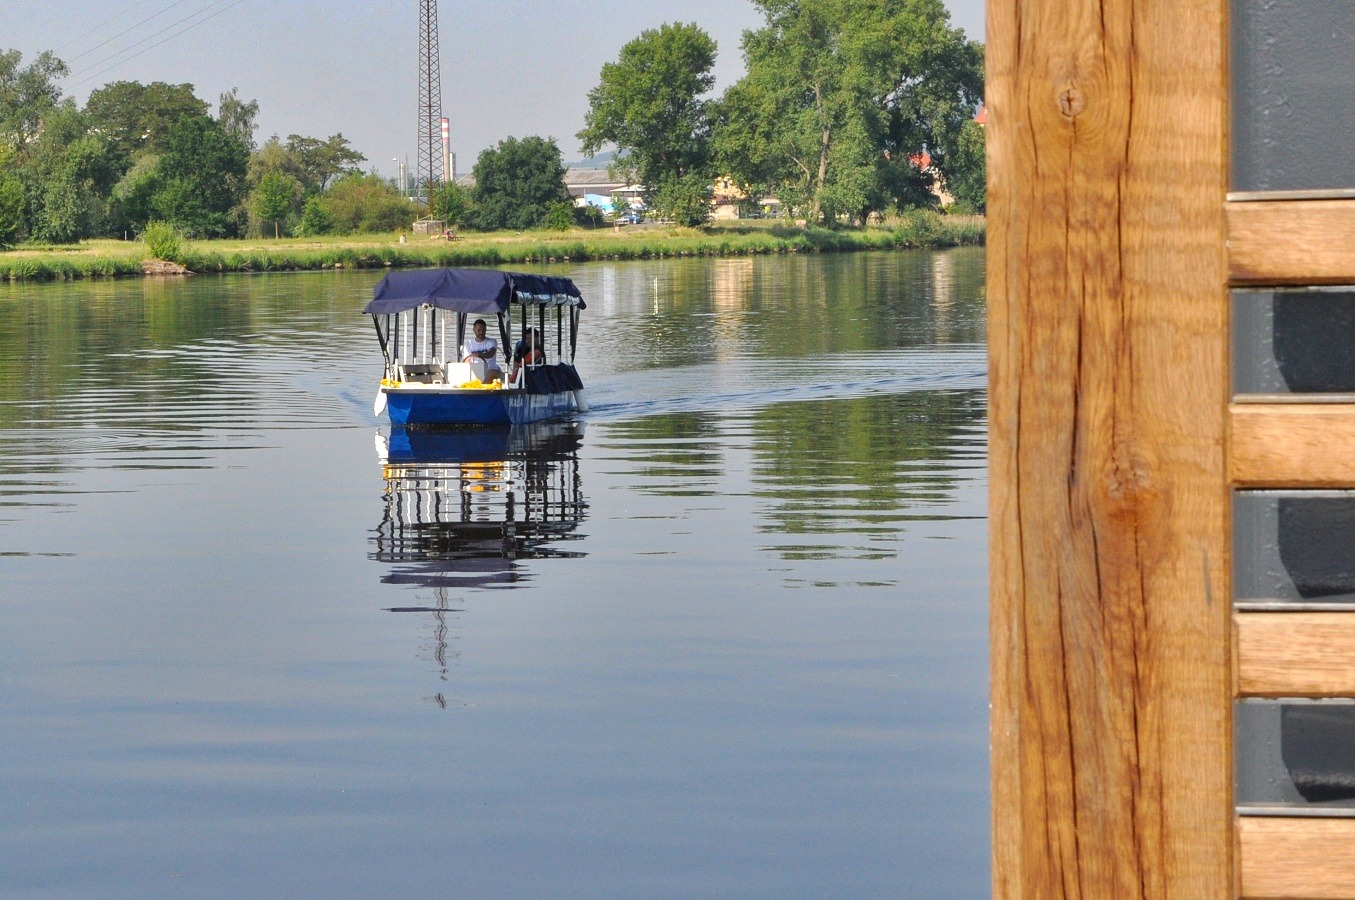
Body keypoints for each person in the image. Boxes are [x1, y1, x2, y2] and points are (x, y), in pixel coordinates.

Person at [463, 318, 502, 382]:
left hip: (491, 370)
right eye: (479, 330)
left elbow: (491, 353)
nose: (481, 332)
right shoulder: (468, 344)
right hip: (476, 371)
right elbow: (466, 361)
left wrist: (480, 355)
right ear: (474, 330)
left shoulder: (492, 341)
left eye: (483, 330)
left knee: (490, 373)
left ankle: (480, 390)